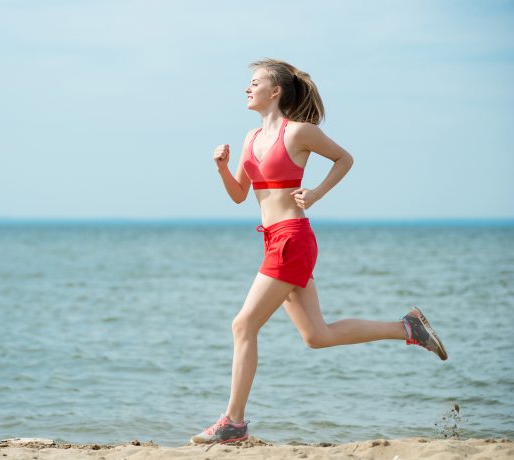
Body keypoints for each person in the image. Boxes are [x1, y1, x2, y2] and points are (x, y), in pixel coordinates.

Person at [190, 58, 448, 445]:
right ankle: (407, 328)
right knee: (316, 336)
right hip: (273, 237)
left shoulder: (299, 133)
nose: (247, 88)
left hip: (293, 238)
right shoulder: (249, 138)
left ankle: (234, 423)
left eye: (254, 82)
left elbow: (345, 158)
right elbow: (240, 195)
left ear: (274, 91)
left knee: (243, 325)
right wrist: (222, 168)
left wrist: (315, 193)